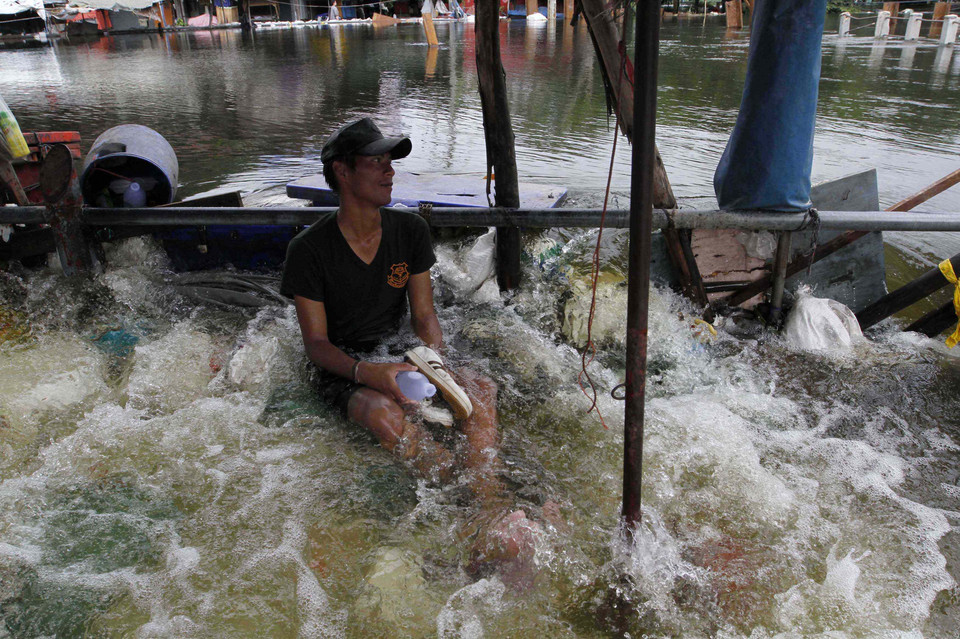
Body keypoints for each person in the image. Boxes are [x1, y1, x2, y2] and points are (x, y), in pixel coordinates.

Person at [280, 118, 540, 579]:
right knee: (385, 414)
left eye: (389, 162)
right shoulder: (309, 250)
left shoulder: (409, 231)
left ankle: (491, 500)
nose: (389, 171)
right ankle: (458, 504)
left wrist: (438, 366)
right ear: (342, 172)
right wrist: (370, 373)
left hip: (398, 346)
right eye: (375, 162)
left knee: (480, 390)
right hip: (346, 366)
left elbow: (424, 318)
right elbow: (316, 345)